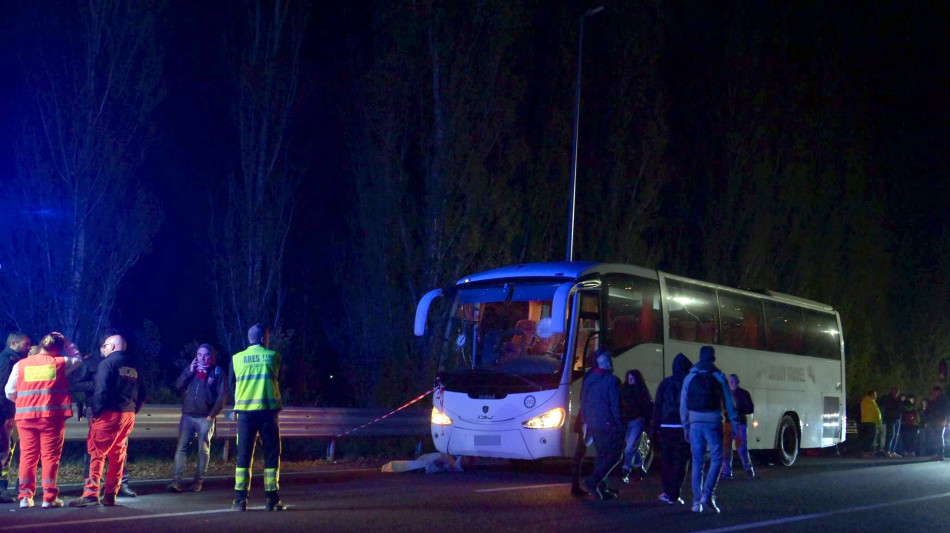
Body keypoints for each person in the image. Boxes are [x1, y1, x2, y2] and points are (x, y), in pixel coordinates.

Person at [3, 332, 81, 508]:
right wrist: (67, 342)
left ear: (40, 345)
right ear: (57, 349)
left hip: (25, 417)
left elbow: (9, 391)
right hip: (51, 418)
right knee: (49, 457)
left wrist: (23, 401)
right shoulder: (60, 363)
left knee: (27, 457)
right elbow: (77, 359)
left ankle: (24, 497)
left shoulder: (21, 365)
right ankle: (49, 498)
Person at [70, 334, 146, 507]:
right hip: (127, 415)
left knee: (96, 453)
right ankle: (111, 494)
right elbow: (143, 394)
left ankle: (91, 493)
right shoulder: (133, 366)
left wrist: (96, 411)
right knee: (118, 455)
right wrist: (133, 410)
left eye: (105, 346)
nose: (102, 349)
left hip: (108, 414)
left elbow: (101, 391)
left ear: (111, 347)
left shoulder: (107, 363)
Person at [230, 323, 285, 511]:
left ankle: (240, 500)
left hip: (245, 414)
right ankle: (272, 499)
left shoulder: (237, 359)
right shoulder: (273, 357)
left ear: (249, 338)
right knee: (271, 454)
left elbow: (232, 385)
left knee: (244, 456)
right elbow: (280, 379)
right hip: (268, 413)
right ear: (263, 338)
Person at [680, 345, 738, 513]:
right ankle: (708, 496)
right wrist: (733, 422)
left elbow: (683, 404)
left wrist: (685, 426)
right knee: (717, 459)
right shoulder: (718, 376)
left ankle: (696, 502)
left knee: (697, 462)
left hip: (695, 424)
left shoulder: (690, 377)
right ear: (713, 358)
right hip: (713, 422)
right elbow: (729, 401)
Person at [168, 343, 227, 493]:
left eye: (206, 354)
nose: (202, 358)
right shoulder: (192, 371)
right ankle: (176, 481)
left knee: (203, 450)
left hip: (205, 418)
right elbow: (177, 385)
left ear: (211, 356)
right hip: (187, 416)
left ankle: (198, 482)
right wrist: (188, 371)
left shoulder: (217, 372)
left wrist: (211, 415)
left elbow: (222, 397)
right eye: (199, 355)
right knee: (181, 448)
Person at [579, 348, 623, 500]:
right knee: (615, 455)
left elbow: (583, 401)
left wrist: (585, 421)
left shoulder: (589, 378)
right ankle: (593, 482)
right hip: (608, 423)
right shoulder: (612, 380)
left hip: (593, 423)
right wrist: (619, 425)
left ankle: (602, 488)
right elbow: (614, 405)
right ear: (608, 363)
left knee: (602, 455)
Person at [652, 352, 692, 505]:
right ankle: (675, 493)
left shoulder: (665, 383)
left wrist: (656, 427)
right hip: (683, 427)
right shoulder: (689, 382)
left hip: (666, 427)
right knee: (681, 462)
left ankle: (668, 492)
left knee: (667, 461)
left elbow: (658, 406)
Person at [0, 332, 31, 503]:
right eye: (25, 344)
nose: (28, 347)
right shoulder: (9, 361)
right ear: (13, 343)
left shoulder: (7, 359)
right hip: (3, 413)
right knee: (2, 451)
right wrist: (9, 415)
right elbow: (3, 390)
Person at [619, 369, 653, 484]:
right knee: (632, 446)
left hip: (637, 421)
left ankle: (626, 469)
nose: (629, 381)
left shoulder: (640, 391)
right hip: (628, 422)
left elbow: (647, 406)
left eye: (632, 379)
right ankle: (639, 468)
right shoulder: (625, 390)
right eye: (628, 379)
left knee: (629, 447)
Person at [722, 374, 755, 479]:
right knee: (726, 448)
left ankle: (748, 469)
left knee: (741, 448)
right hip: (728, 424)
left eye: (733, 381)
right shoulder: (727, 394)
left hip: (739, 423)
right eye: (730, 381)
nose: (731, 383)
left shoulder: (743, 394)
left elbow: (750, 409)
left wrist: (738, 411)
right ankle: (727, 472)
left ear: (737, 382)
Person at [859, 390, 884, 458]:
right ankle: (865, 452)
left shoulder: (870, 401)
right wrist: (878, 421)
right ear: (871, 394)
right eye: (875, 394)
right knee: (869, 437)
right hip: (869, 421)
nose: (876, 396)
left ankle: (866, 451)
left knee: (870, 437)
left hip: (870, 421)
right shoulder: (868, 401)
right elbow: (874, 412)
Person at [880, 387, 903, 458]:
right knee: (890, 435)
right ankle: (887, 451)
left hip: (897, 419)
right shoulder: (888, 399)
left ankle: (892, 451)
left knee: (895, 435)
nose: (896, 393)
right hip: (891, 419)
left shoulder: (898, 399)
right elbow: (888, 408)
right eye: (895, 391)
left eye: (897, 392)